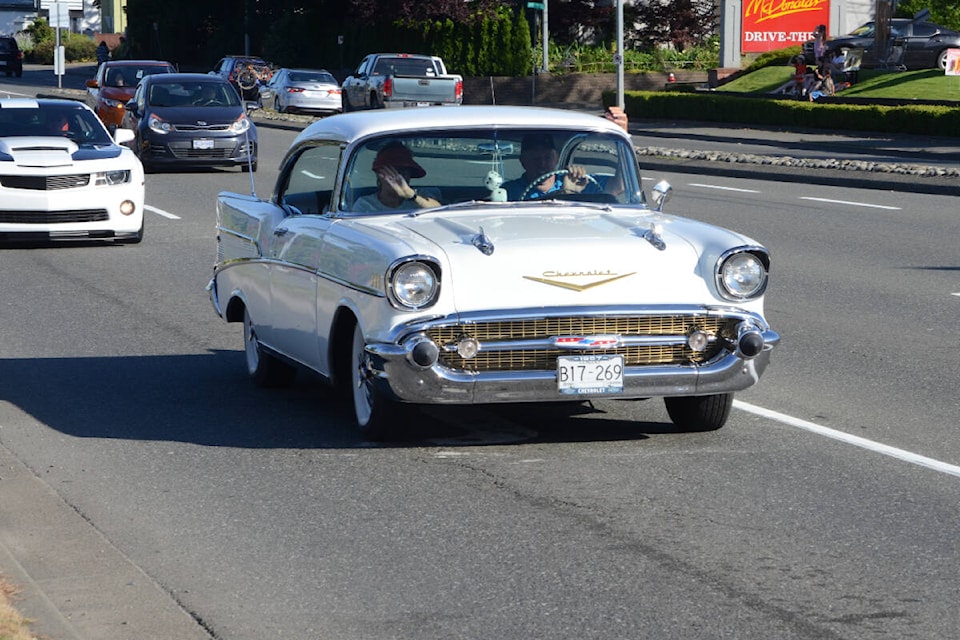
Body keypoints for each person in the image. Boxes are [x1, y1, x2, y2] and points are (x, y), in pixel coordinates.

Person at [352, 143, 442, 213]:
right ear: (380, 174)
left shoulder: (421, 195)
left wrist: (411, 195)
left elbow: (439, 212)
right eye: (394, 172)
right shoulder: (365, 205)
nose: (400, 177)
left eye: (405, 172)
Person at [502, 133, 591, 201]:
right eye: (536, 159)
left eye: (548, 158)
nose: (542, 164)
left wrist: (570, 193)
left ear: (556, 159)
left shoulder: (578, 182)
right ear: (523, 161)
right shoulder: (508, 192)